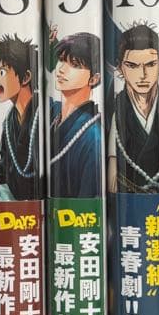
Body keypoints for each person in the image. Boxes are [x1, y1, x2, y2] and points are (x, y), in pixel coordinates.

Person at [108, 24, 159, 194]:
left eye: (150, 64)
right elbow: (112, 179)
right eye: (132, 66)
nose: (142, 75)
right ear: (120, 68)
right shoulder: (115, 110)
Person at [48, 31, 102, 199]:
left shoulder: (93, 136)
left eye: (75, 65)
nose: (61, 70)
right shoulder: (53, 113)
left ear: (94, 79)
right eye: (61, 60)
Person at [0, 35, 40, 200]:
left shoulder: (48, 113)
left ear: (25, 77)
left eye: (1, 72)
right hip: (13, 208)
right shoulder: (8, 122)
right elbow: (3, 171)